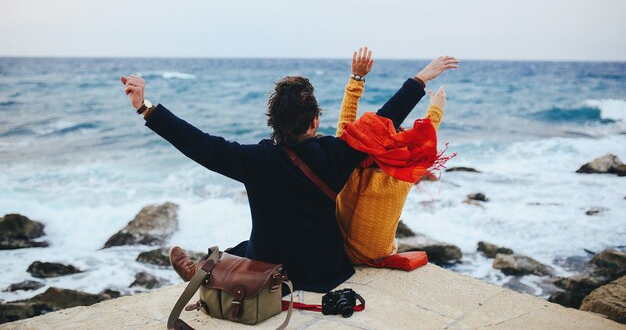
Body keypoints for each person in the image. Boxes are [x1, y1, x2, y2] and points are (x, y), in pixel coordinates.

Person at [120, 51, 453, 292]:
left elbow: (198, 143)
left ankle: (204, 272)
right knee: (245, 245)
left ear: (274, 124)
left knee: (244, 248)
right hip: (325, 272)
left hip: (270, 269)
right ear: (314, 122)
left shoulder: (254, 160)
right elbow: (385, 118)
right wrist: (421, 77)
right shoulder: (336, 153)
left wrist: (145, 108)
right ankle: (205, 270)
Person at [335, 50, 456, 264]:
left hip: (339, 250)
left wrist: (357, 77)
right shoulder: (402, 178)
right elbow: (423, 146)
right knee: (394, 241)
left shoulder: (348, 165)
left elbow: (346, 121)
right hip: (378, 255)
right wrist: (436, 108)